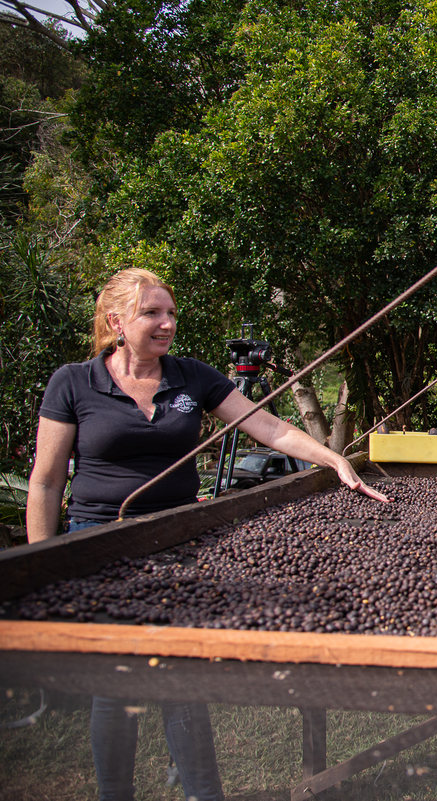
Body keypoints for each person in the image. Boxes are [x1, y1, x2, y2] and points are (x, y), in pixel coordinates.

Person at [25, 268, 390, 801]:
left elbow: (270, 428)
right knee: (113, 682)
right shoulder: (74, 382)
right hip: (97, 538)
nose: (167, 323)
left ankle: (203, 793)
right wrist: (42, 566)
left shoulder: (190, 377)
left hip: (180, 538)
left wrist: (332, 458)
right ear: (116, 322)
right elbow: (45, 480)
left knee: (182, 675)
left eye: (171, 313)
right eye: (152, 313)